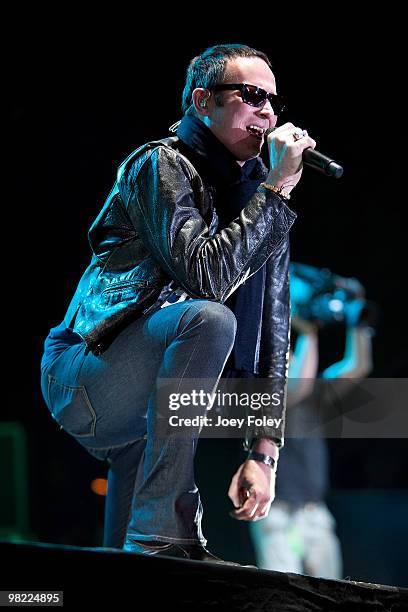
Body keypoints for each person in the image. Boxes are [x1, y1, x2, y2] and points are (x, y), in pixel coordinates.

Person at [40, 44, 316, 563]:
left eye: (273, 102)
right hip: (86, 374)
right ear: (203, 101)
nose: (269, 113)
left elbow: (273, 332)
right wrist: (276, 188)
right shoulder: (160, 165)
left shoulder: (263, 200)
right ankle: (167, 526)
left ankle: (151, 546)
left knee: (136, 574)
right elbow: (206, 277)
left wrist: (264, 453)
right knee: (210, 319)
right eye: (252, 96)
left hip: (151, 407)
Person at [250, 265, 374, 577]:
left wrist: (358, 320)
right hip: (276, 514)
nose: (291, 357)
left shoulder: (315, 392)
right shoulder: (263, 391)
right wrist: (308, 330)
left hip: (314, 512)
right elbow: (297, 387)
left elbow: (358, 366)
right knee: (282, 596)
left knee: (332, 594)